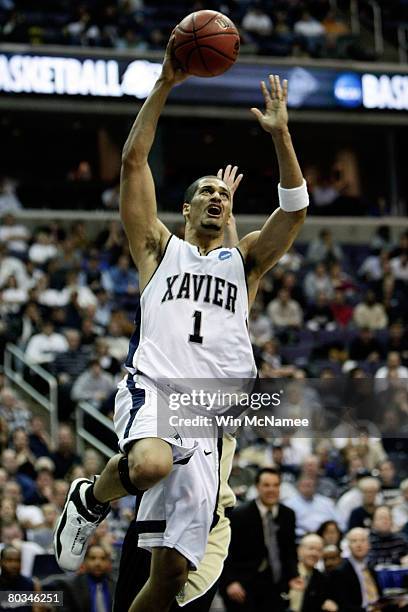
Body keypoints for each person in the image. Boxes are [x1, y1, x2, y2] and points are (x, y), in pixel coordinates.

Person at [54, 34, 308, 612]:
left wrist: (281, 136)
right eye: (206, 193)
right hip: (157, 388)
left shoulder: (245, 261)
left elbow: (294, 211)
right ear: (186, 208)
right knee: (148, 463)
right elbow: (132, 162)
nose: (217, 198)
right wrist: (167, 80)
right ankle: (91, 499)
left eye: (223, 192)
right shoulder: (157, 249)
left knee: (169, 578)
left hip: (211, 417)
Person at [114, 433, 237, 612]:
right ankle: (92, 496)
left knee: (178, 599)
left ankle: (93, 496)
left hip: (206, 519)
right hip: (150, 515)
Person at [220, 467, 298, 612]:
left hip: (276, 584)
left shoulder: (288, 515)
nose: (271, 490)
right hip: (243, 585)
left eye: (276, 485)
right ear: (257, 487)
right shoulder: (239, 515)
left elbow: (290, 550)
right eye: (266, 485)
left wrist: (294, 575)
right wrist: (230, 582)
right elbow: (225, 551)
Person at [329, 528, 383, 612]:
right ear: (348, 546)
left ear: (369, 545)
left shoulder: (370, 568)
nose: (359, 544)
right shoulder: (340, 572)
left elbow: (379, 597)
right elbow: (344, 606)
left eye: (362, 540)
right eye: (354, 541)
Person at [288, 534, 337, 612]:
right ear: (299, 550)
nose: (314, 553)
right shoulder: (285, 571)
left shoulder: (322, 580)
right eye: (311, 548)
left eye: (319, 550)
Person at [0, 545, 41, 612]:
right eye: (9, 560)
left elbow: (37, 609)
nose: (14, 565)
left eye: (18, 560)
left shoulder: (32, 584)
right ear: (1, 562)